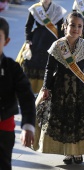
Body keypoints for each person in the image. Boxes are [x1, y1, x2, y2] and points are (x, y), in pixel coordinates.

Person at [32, 11, 84, 165]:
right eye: (72, 25)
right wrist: (45, 87)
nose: (76, 28)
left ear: (83, 29)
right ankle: (69, 152)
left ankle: (79, 151)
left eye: (79, 26)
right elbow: (49, 68)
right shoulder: (57, 45)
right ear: (65, 26)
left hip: (81, 89)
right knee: (64, 121)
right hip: (60, 88)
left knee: (79, 121)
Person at [0, 17, 36, 170]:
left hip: (3, 128)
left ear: (6, 41)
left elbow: (27, 97)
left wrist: (28, 126)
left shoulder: (12, 69)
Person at [17, 0, 67, 94]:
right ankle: (29, 90)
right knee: (30, 63)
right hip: (37, 40)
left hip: (51, 40)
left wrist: (61, 43)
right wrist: (28, 41)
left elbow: (61, 29)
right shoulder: (35, 8)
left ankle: (46, 90)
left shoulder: (57, 9)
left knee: (49, 64)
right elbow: (28, 26)